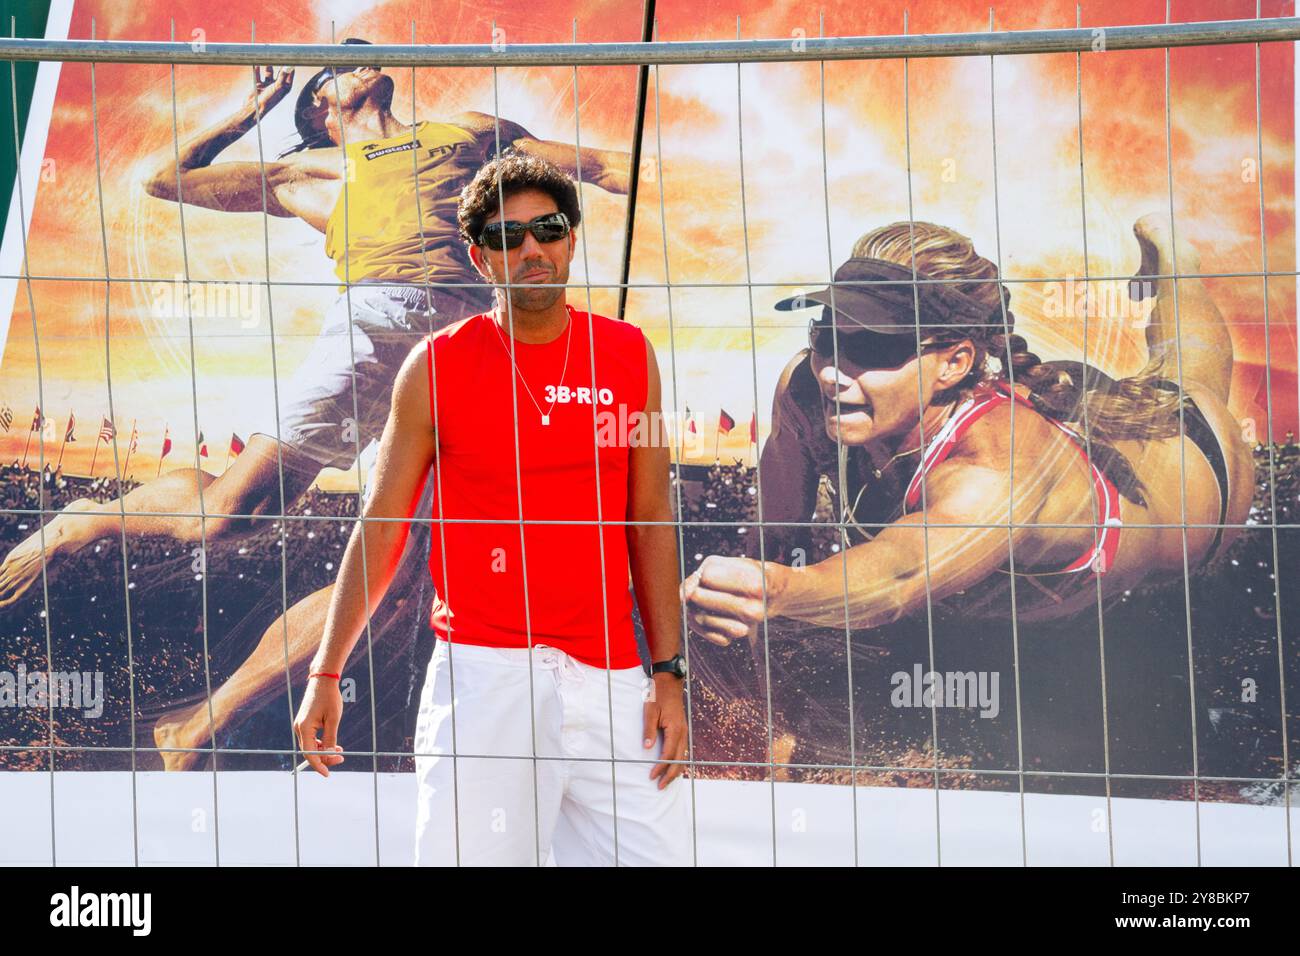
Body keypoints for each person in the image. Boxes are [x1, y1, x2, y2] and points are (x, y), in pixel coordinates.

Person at [0, 41, 630, 770]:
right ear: (324, 109)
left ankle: (194, 727)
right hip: (379, 326)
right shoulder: (312, 171)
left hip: (476, 344)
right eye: (342, 63)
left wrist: (663, 179)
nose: (363, 59)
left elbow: (596, 164)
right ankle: (79, 521)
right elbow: (166, 179)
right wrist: (249, 112)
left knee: (394, 584)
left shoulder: (470, 130)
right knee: (233, 513)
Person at [682, 215, 1253, 737]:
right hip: (1043, 446)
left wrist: (778, 591)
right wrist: (756, 603)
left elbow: (897, 577)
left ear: (954, 362)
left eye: (872, 349)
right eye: (824, 337)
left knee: (1189, 375)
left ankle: (1176, 262)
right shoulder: (808, 392)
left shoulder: (996, 467)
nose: (833, 370)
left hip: (1189, 484)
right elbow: (776, 529)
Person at [293, 152, 692, 866]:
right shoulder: (435, 365)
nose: (532, 249)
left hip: (609, 678)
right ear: (481, 259)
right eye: (508, 238)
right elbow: (380, 526)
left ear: (571, 238)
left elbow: (651, 516)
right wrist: (327, 672)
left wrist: (668, 672)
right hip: (483, 677)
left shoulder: (632, 355)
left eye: (547, 229)